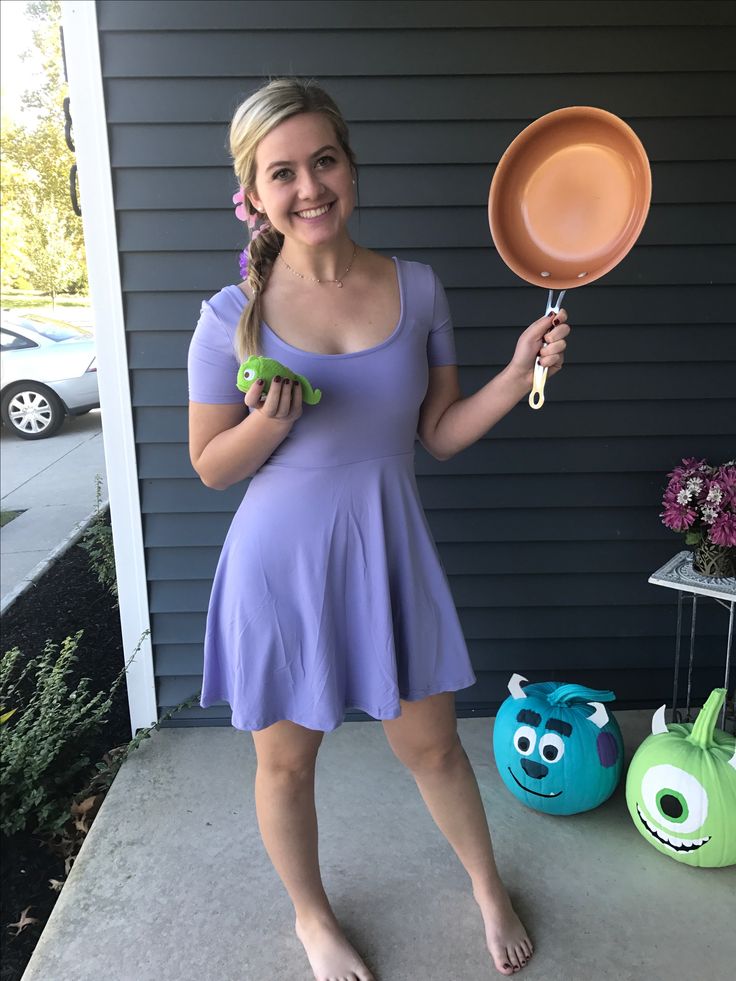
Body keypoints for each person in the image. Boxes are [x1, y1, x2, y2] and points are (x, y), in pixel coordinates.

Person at [187, 77, 570, 981]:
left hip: (387, 556)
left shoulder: (419, 288)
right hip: (278, 571)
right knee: (285, 766)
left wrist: (518, 373)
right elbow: (210, 466)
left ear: (350, 166)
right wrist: (270, 423)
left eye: (324, 160)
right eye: (283, 171)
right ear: (253, 193)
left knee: (432, 745)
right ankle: (312, 919)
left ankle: (486, 886)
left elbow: (436, 435)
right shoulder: (225, 318)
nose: (310, 186)